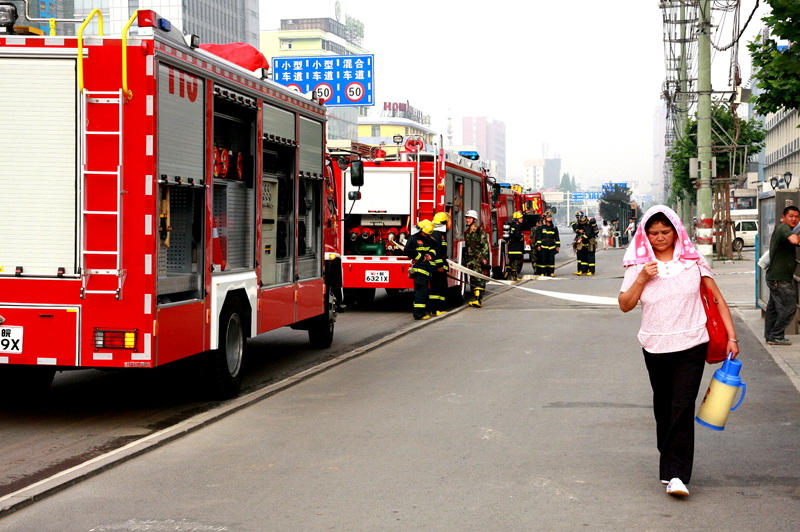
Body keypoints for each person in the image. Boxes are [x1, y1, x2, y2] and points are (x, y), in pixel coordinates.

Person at [618, 205, 739, 498]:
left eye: (665, 231)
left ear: (676, 231)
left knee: (682, 407)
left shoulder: (693, 261)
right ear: (645, 235)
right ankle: (669, 457)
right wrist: (643, 278)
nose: (660, 237)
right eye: (653, 232)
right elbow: (625, 304)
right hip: (655, 346)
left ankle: (676, 474)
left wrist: (732, 338)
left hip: (692, 344)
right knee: (664, 406)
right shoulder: (638, 265)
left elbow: (718, 299)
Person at [764, 205, 800, 345]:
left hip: (775, 277)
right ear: (783, 217)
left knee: (772, 310)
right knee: (790, 308)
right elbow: (794, 240)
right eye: (791, 216)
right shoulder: (783, 228)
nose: (794, 219)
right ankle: (776, 335)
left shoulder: (784, 230)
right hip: (780, 279)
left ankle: (770, 336)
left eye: (797, 217)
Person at [404, 219, 437, 320]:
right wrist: (421, 257)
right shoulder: (414, 239)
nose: (425, 234)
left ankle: (420, 312)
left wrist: (430, 255)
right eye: (424, 233)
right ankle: (418, 314)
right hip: (419, 269)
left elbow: (435, 247)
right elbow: (407, 250)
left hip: (425, 269)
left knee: (423, 292)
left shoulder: (429, 239)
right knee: (420, 292)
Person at [464, 209, 490, 308]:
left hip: (479, 259)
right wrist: (466, 260)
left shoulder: (480, 231)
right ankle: (476, 299)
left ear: (475, 220)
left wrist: (484, 258)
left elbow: (485, 245)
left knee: (479, 279)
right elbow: (467, 247)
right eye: (467, 218)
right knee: (473, 280)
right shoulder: (466, 232)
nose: (467, 220)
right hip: (471, 260)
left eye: (470, 218)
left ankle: (479, 300)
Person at [429, 212, 452, 316]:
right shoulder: (437, 235)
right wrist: (439, 266)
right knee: (437, 288)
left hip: (438, 265)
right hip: (436, 267)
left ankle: (440, 307)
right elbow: (437, 251)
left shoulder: (437, 234)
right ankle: (436, 309)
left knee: (441, 287)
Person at [534, 211, 560, 277]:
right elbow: (538, 237)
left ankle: (551, 272)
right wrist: (539, 245)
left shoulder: (554, 228)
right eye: (548, 217)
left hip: (552, 245)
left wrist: (557, 246)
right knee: (543, 260)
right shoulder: (540, 228)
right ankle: (542, 272)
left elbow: (557, 237)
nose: (550, 218)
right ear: (544, 218)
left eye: (550, 217)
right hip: (543, 245)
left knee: (551, 259)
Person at [507, 211, 525, 281]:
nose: (522, 219)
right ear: (516, 219)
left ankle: (510, 272)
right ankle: (514, 276)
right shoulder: (517, 227)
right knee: (516, 262)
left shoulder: (512, 226)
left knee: (512, 262)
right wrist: (521, 237)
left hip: (511, 247)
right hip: (516, 247)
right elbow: (517, 237)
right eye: (520, 218)